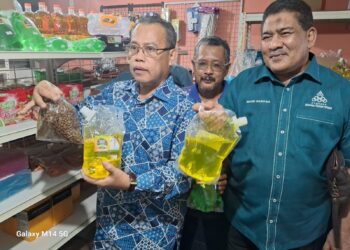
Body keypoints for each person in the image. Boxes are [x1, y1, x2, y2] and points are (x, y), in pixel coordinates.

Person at [20, 16, 195, 249]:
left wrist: (130, 182)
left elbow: (183, 175)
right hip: (108, 230)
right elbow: (77, 123)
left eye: (150, 49)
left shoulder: (184, 107)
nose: (138, 56)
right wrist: (50, 98)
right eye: (134, 47)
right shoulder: (115, 93)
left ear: (172, 55)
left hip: (154, 234)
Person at [196, 0, 350, 249]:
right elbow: (218, 147)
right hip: (242, 229)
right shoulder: (242, 86)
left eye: (285, 33)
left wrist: (342, 233)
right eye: (266, 36)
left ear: (310, 36)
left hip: (308, 234)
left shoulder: (341, 93)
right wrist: (207, 130)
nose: (274, 44)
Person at [179, 36, 231, 250]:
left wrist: (231, 176)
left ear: (226, 69)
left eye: (216, 65)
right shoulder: (179, 101)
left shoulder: (236, 101)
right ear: (193, 67)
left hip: (221, 202)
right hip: (182, 201)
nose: (208, 71)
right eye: (202, 63)